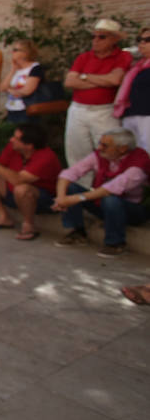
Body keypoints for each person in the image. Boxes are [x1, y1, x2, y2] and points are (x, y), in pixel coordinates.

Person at [52, 128, 149, 257]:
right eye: (100, 143)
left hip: (131, 210)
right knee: (71, 188)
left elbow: (110, 189)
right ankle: (77, 233)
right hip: (103, 203)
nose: (100, 148)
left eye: (105, 145)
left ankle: (116, 243)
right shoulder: (101, 155)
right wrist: (61, 197)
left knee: (110, 199)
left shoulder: (139, 164)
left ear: (122, 149)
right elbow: (70, 173)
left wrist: (75, 199)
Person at [63, 19, 132, 174]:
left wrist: (84, 76)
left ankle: (105, 188)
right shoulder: (84, 57)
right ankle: (81, 189)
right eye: (93, 36)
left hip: (104, 111)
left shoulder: (122, 56)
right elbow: (69, 81)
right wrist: (102, 80)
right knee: (77, 151)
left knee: (109, 150)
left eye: (102, 37)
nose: (95, 40)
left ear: (114, 39)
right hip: (78, 109)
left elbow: (115, 80)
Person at [0, 123, 61, 240]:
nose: (11, 139)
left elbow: (18, 180)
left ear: (29, 146)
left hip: (44, 200)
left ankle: (28, 225)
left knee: (22, 189)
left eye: (16, 138)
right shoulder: (13, 148)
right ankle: (3, 217)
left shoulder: (46, 157)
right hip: (13, 191)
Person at [113, 25, 150, 151]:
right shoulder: (137, 66)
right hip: (131, 114)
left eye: (147, 40)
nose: (142, 43)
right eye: (140, 40)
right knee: (132, 154)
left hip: (147, 116)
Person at [0, 39, 44, 124]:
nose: (13, 52)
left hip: (26, 109)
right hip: (12, 108)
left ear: (25, 53)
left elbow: (27, 91)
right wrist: (13, 70)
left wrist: (10, 90)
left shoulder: (35, 68)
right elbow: (2, 87)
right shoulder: (17, 69)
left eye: (16, 50)